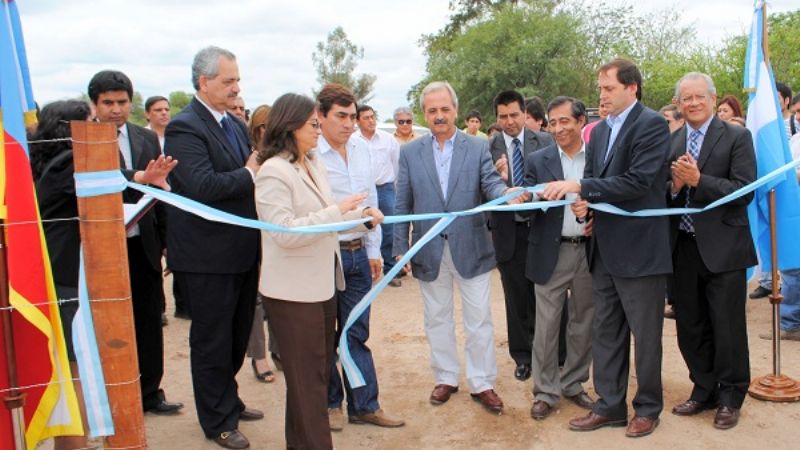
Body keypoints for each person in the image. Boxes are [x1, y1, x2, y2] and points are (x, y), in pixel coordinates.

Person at [541, 58, 671, 438]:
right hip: (603, 250)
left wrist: (583, 189)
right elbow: (596, 179)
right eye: (600, 88)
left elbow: (640, 181)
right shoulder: (597, 133)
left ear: (632, 88)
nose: (602, 95)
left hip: (642, 253)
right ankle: (610, 405)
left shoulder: (651, 125)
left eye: (609, 88)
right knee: (607, 332)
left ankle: (647, 408)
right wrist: (588, 206)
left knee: (645, 337)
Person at [393, 81, 529, 415]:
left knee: (479, 320)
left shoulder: (476, 146)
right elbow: (401, 202)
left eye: (445, 109)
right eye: (432, 110)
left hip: (472, 248)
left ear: (456, 109)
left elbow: (489, 182)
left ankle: (482, 382)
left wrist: (506, 193)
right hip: (428, 249)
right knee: (436, 318)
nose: (439, 116)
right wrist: (400, 248)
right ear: (424, 113)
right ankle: (446, 377)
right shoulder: (410, 152)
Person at [256, 92, 381, 450]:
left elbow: (329, 218)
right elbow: (284, 232)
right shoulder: (273, 172)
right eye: (313, 124)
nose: (317, 130)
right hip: (293, 294)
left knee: (307, 377)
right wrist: (338, 210)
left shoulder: (311, 164)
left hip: (323, 284)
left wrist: (362, 218)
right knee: (309, 383)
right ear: (291, 126)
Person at [164, 46, 263, 450]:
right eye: (228, 80)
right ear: (203, 83)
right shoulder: (185, 127)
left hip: (241, 249)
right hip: (207, 256)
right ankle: (217, 421)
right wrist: (249, 173)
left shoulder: (234, 124)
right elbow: (202, 187)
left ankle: (229, 399)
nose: (236, 87)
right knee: (212, 340)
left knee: (238, 335)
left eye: (238, 79)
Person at [87, 70, 183, 417]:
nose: (115, 109)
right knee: (107, 324)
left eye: (122, 102)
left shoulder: (145, 138)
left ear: (131, 103)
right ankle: (111, 397)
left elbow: (158, 191)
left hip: (142, 244)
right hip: (101, 248)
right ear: (94, 104)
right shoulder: (82, 140)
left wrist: (167, 241)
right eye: (107, 103)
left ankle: (150, 392)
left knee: (148, 318)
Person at [667, 72, 756, 430]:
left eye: (699, 97)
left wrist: (699, 181)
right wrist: (674, 187)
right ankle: (703, 388)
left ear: (712, 98)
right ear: (678, 104)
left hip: (724, 248)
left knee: (727, 325)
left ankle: (731, 396)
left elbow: (744, 190)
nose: (692, 103)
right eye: (685, 98)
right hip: (682, 248)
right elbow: (664, 195)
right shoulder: (672, 142)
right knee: (690, 323)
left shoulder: (736, 136)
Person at [316, 84, 404, 431]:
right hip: (325, 254)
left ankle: (364, 405)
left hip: (358, 254)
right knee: (325, 334)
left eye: (353, 116)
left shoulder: (362, 149)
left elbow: (373, 205)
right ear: (320, 116)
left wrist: (372, 250)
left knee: (355, 331)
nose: (349, 124)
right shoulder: (310, 155)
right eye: (341, 116)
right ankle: (330, 402)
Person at [525, 96, 595, 421]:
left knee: (584, 322)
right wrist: (532, 197)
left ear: (581, 122)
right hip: (551, 253)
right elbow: (525, 200)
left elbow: (609, 193)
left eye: (564, 121)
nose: (558, 128)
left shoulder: (597, 158)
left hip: (589, 252)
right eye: (552, 122)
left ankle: (573, 383)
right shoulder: (537, 159)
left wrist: (593, 213)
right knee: (547, 325)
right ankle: (545, 391)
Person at [31, 100, 92, 450]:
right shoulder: (69, 163)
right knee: (73, 367)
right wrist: (142, 179)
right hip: (65, 273)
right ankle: (74, 443)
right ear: (71, 129)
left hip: (54, 271)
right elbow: (105, 185)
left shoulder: (47, 161)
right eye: (89, 122)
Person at [488, 89, 553, 382]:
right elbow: (481, 190)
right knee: (515, 299)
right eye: (503, 117)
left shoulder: (545, 141)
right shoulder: (487, 150)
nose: (510, 121)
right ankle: (523, 356)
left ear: (525, 113)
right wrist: (497, 179)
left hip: (540, 229)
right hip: (507, 232)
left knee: (546, 296)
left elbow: (554, 180)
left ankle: (552, 355)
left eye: (515, 115)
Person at [245, 104, 278, 383]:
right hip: (254, 233)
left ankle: (279, 350)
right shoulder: (251, 158)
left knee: (281, 294)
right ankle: (259, 356)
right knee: (256, 297)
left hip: (280, 234)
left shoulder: (287, 157)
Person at [356, 104, 403, 287]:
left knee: (389, 229)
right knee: (364, 227)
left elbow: (397, 165)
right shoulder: (353, 140)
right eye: (366, 118)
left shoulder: (387, 139)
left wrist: (395, 189)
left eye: (372, 116)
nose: (371, 121)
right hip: (362, 193)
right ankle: (367, 268)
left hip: (385, 189)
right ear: (358, 121)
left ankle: (391, 270)